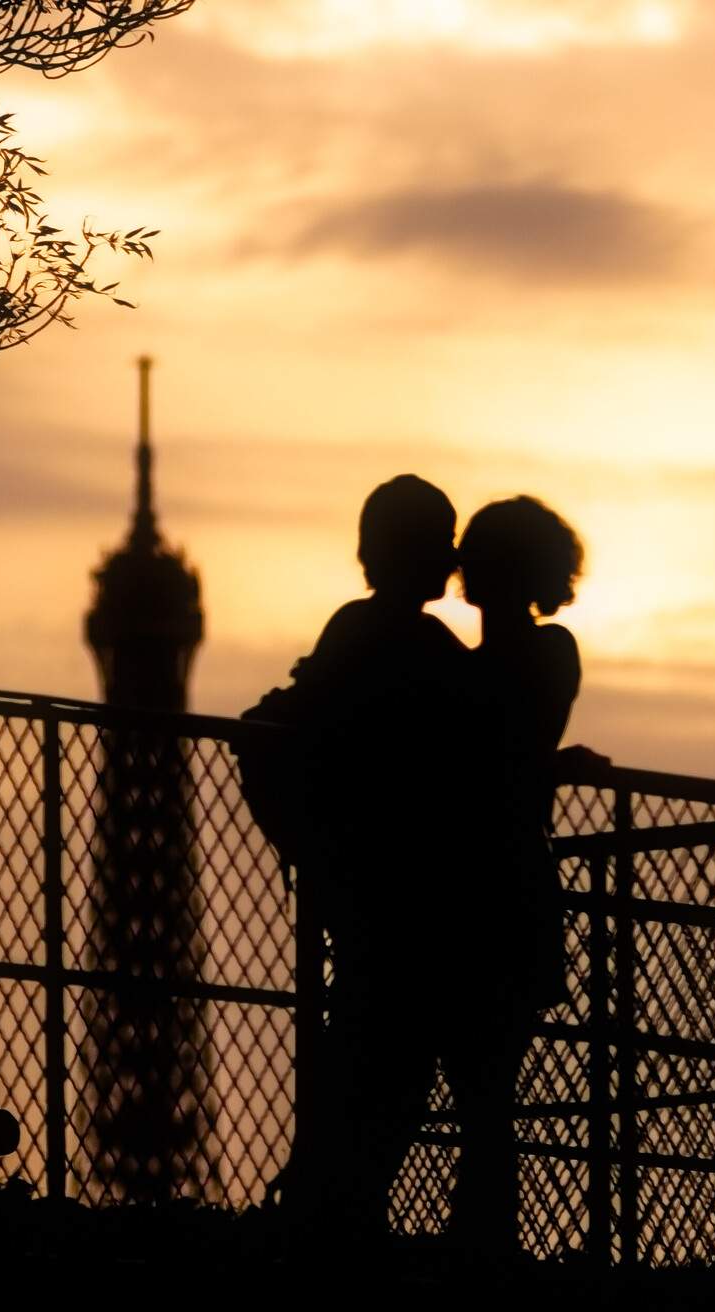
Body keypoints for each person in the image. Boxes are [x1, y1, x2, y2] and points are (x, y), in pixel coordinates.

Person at [245, 474, 470, 1242]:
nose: (453, 555)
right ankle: (335, 1215)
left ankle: (328, 1210)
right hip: (406, 896)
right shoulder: (422, 648)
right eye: (443, 539)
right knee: (392, 1070)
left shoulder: (357, 632)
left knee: (370, 1059)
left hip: (364, 889)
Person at [434, 494, 589, 1254]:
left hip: (467, 889)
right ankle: (488, 1250)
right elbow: (516, 757)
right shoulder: (550, 654)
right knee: (487, 1092)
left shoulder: (463, 671)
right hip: (516, 884)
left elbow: (489, 756)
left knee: (479, 1091)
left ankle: (481, 1248)